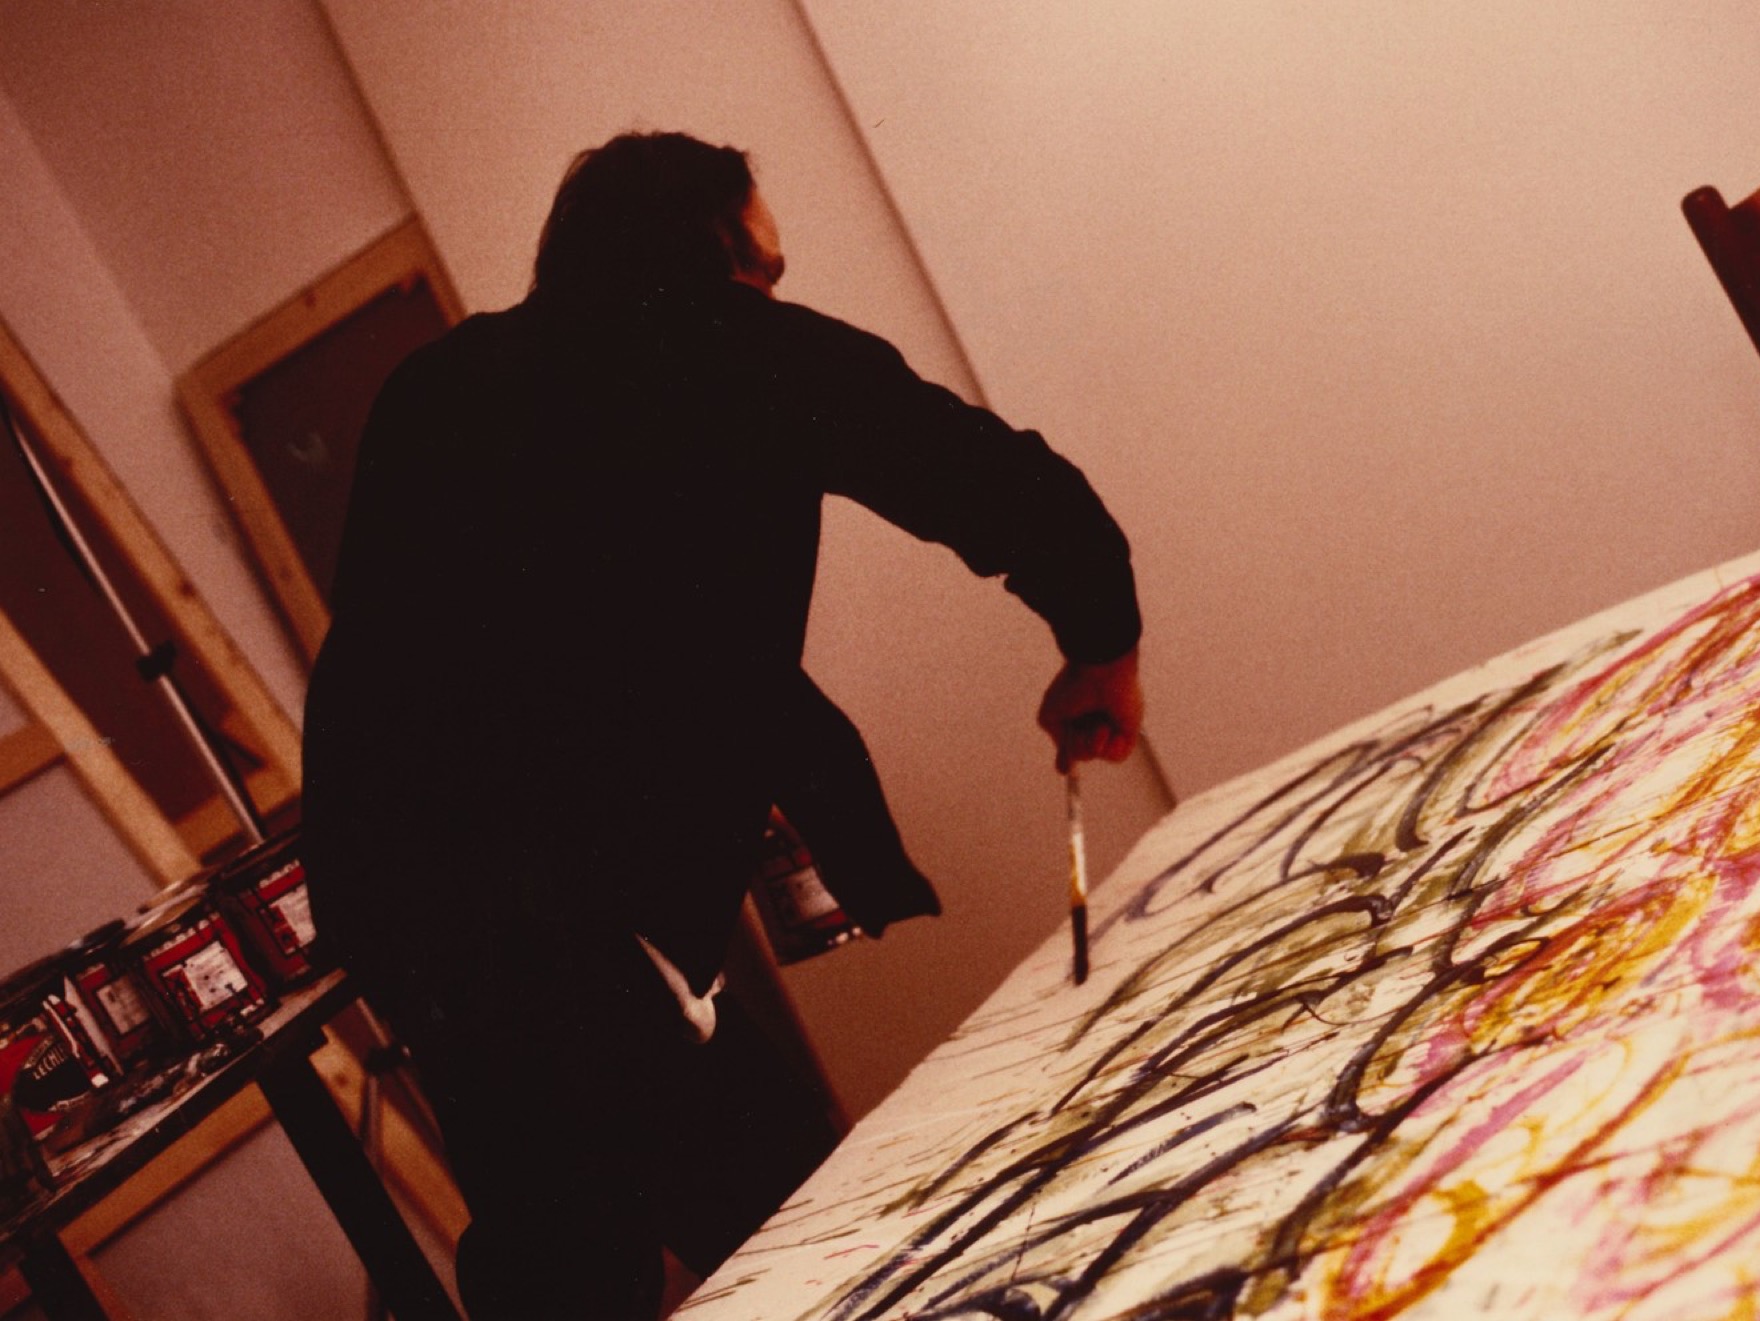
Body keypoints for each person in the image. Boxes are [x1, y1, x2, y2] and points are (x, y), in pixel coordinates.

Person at [302, 130, 1142, 1319]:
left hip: (430, 931)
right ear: (708, 255)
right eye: (763, 270)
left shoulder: (437, 386)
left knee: (786, 1223)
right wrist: (1102, 646)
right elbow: (989, 480)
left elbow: (400, 669)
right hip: (577, 947)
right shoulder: (740, 350)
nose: (770, 294)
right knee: (727, 1257)